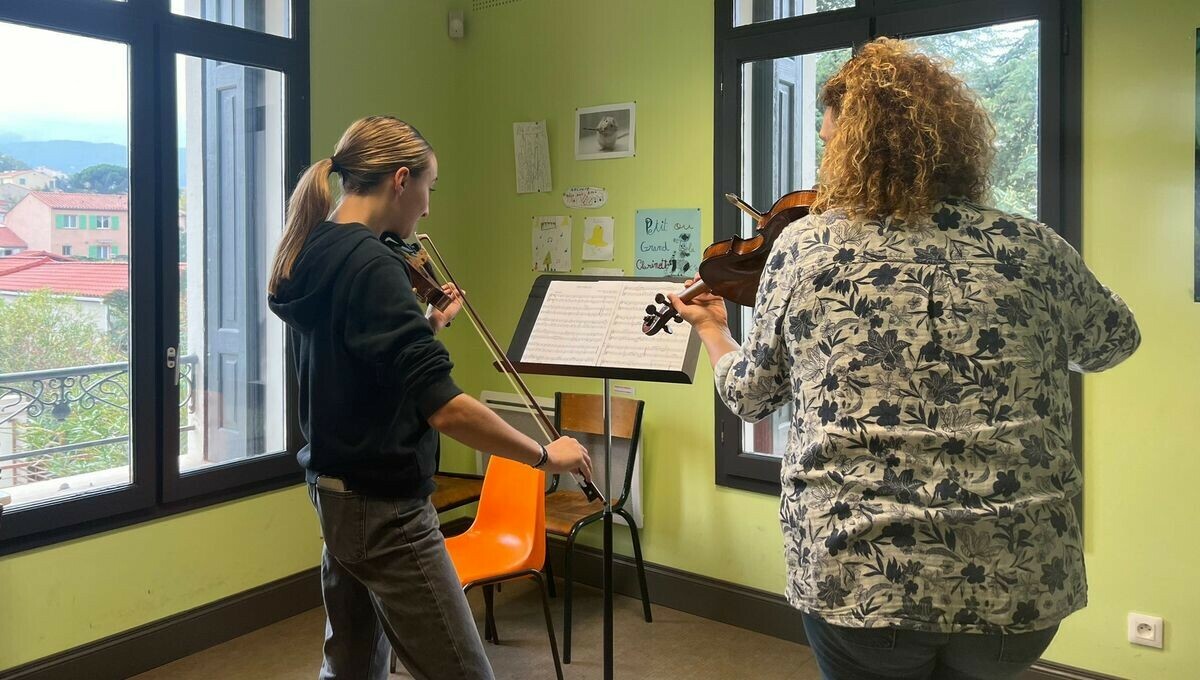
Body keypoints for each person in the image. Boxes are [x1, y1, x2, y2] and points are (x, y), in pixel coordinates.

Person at [671, 38, 1139, 680]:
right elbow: (1113, 343)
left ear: (852, 148)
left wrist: (712, 331)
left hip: (860, 576)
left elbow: (753, 396)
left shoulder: (805, 248)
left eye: (829, 140)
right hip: (1020, 579)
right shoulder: (1031, 244)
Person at [268, 115, 592, 680]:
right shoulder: (373, 264)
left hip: (335, 495)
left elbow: (363, 368)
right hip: (384, 508)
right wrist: (545, 455)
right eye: (427, 188)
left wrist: (429, 325)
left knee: (350, 668)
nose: (427, 207)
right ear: (400, 180)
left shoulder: (318, 248)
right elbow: (445, 407)